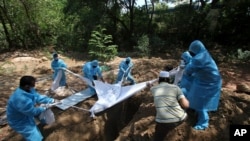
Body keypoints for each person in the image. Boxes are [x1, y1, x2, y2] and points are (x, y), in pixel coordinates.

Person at [6, 76, 59, 141]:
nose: (34, 87)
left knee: (41, 120)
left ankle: (41, 127)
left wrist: (52, 100)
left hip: (26, 113)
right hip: (20, 121)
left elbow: (38, 97)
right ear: (26, 86)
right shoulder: (20, 99)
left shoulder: (28, 89)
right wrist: (45, 107)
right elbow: (32, 112)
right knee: (35, 137)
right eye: (32, 85)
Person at [184, 40, 222, 130]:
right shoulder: (203, 53)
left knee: (201, 101)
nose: (191, 53)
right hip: (207, 79)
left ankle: (203, 123)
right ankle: (195, 109)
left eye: (191, 52)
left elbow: (188, 71)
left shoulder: (199, 59)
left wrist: (187, 63)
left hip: (209, 83)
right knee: (195, 94)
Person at [148, 71, 189, 141]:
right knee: (183, 111)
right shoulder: (176, 88)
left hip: (162, 122)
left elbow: (150, 87)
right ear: (169, 79)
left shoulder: (154, 89)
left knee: (158, 137)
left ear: (159, 80)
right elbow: (185, 105)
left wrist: (149, 84)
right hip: (179, 119)